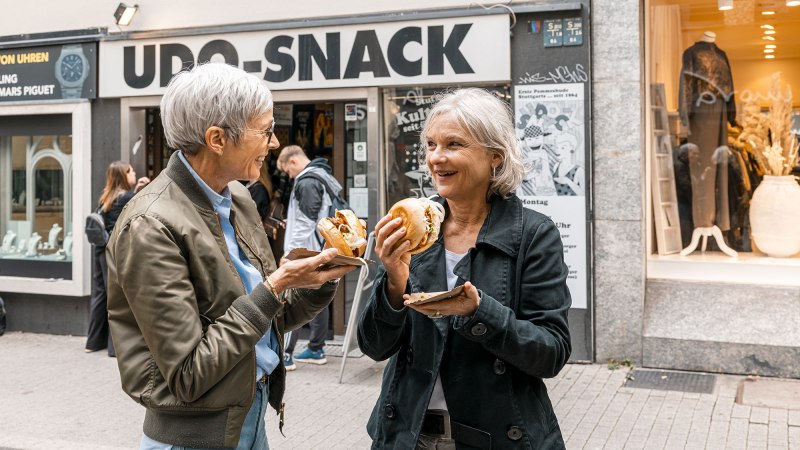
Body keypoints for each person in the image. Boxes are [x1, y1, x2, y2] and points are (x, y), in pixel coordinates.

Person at [105, 63, 356, 450]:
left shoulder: (237, 196)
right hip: (194, 438)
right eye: (265, 130)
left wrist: (325, 276)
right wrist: (277, 285)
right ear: (217, 138)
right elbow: (189, 374)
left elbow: (271, 317)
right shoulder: (148, 224)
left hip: (249, 415)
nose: (273, 143)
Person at [358, 88, 572, 449]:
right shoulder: (418, 228)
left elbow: (551, 352)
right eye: (430, 144)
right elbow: (374, 347)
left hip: (495, 438)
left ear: (495, 157)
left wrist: (479, 311)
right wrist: (394, 284)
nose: (435, 158)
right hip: (409, 436)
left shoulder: (533, 234)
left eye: (453, 144)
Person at [276, 145, 342, 368]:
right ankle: (316, 348)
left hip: (305, 252)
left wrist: (290, 254)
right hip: (320, 249)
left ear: (293, 162)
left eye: (287, 170)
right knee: (318, 297)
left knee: (289, 296)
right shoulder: (323, 176)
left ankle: (285, 355)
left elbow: (305, 221)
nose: (289, 175)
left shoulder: (306, 180)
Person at [85, 161, 149, 356]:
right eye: (131, 171)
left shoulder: (106, 197)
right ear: (123, 175)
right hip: (115, 252)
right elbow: (137, 213)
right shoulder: (127, 198)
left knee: (100, 294)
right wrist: (140, 192)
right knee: (117, 297)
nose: (135, 173)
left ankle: (94, 342)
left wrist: (136, 191)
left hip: (99, 250)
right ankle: (115, 347)